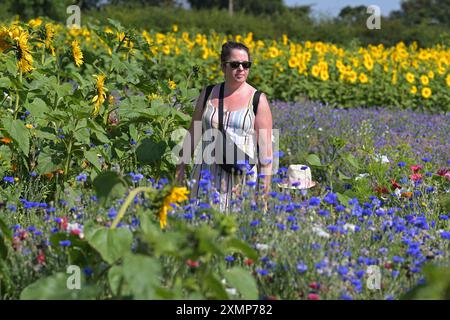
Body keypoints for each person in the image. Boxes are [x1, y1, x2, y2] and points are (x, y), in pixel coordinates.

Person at [175, 41, 273, 213]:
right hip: (205, 177)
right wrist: (180, 170)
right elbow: (193, 134)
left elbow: (267, 156)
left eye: (246, 64)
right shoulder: (208, 94)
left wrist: (263, 197)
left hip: (240, 182)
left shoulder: (258, 100)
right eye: (235, 64)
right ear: (223, 67)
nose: (241, 69)